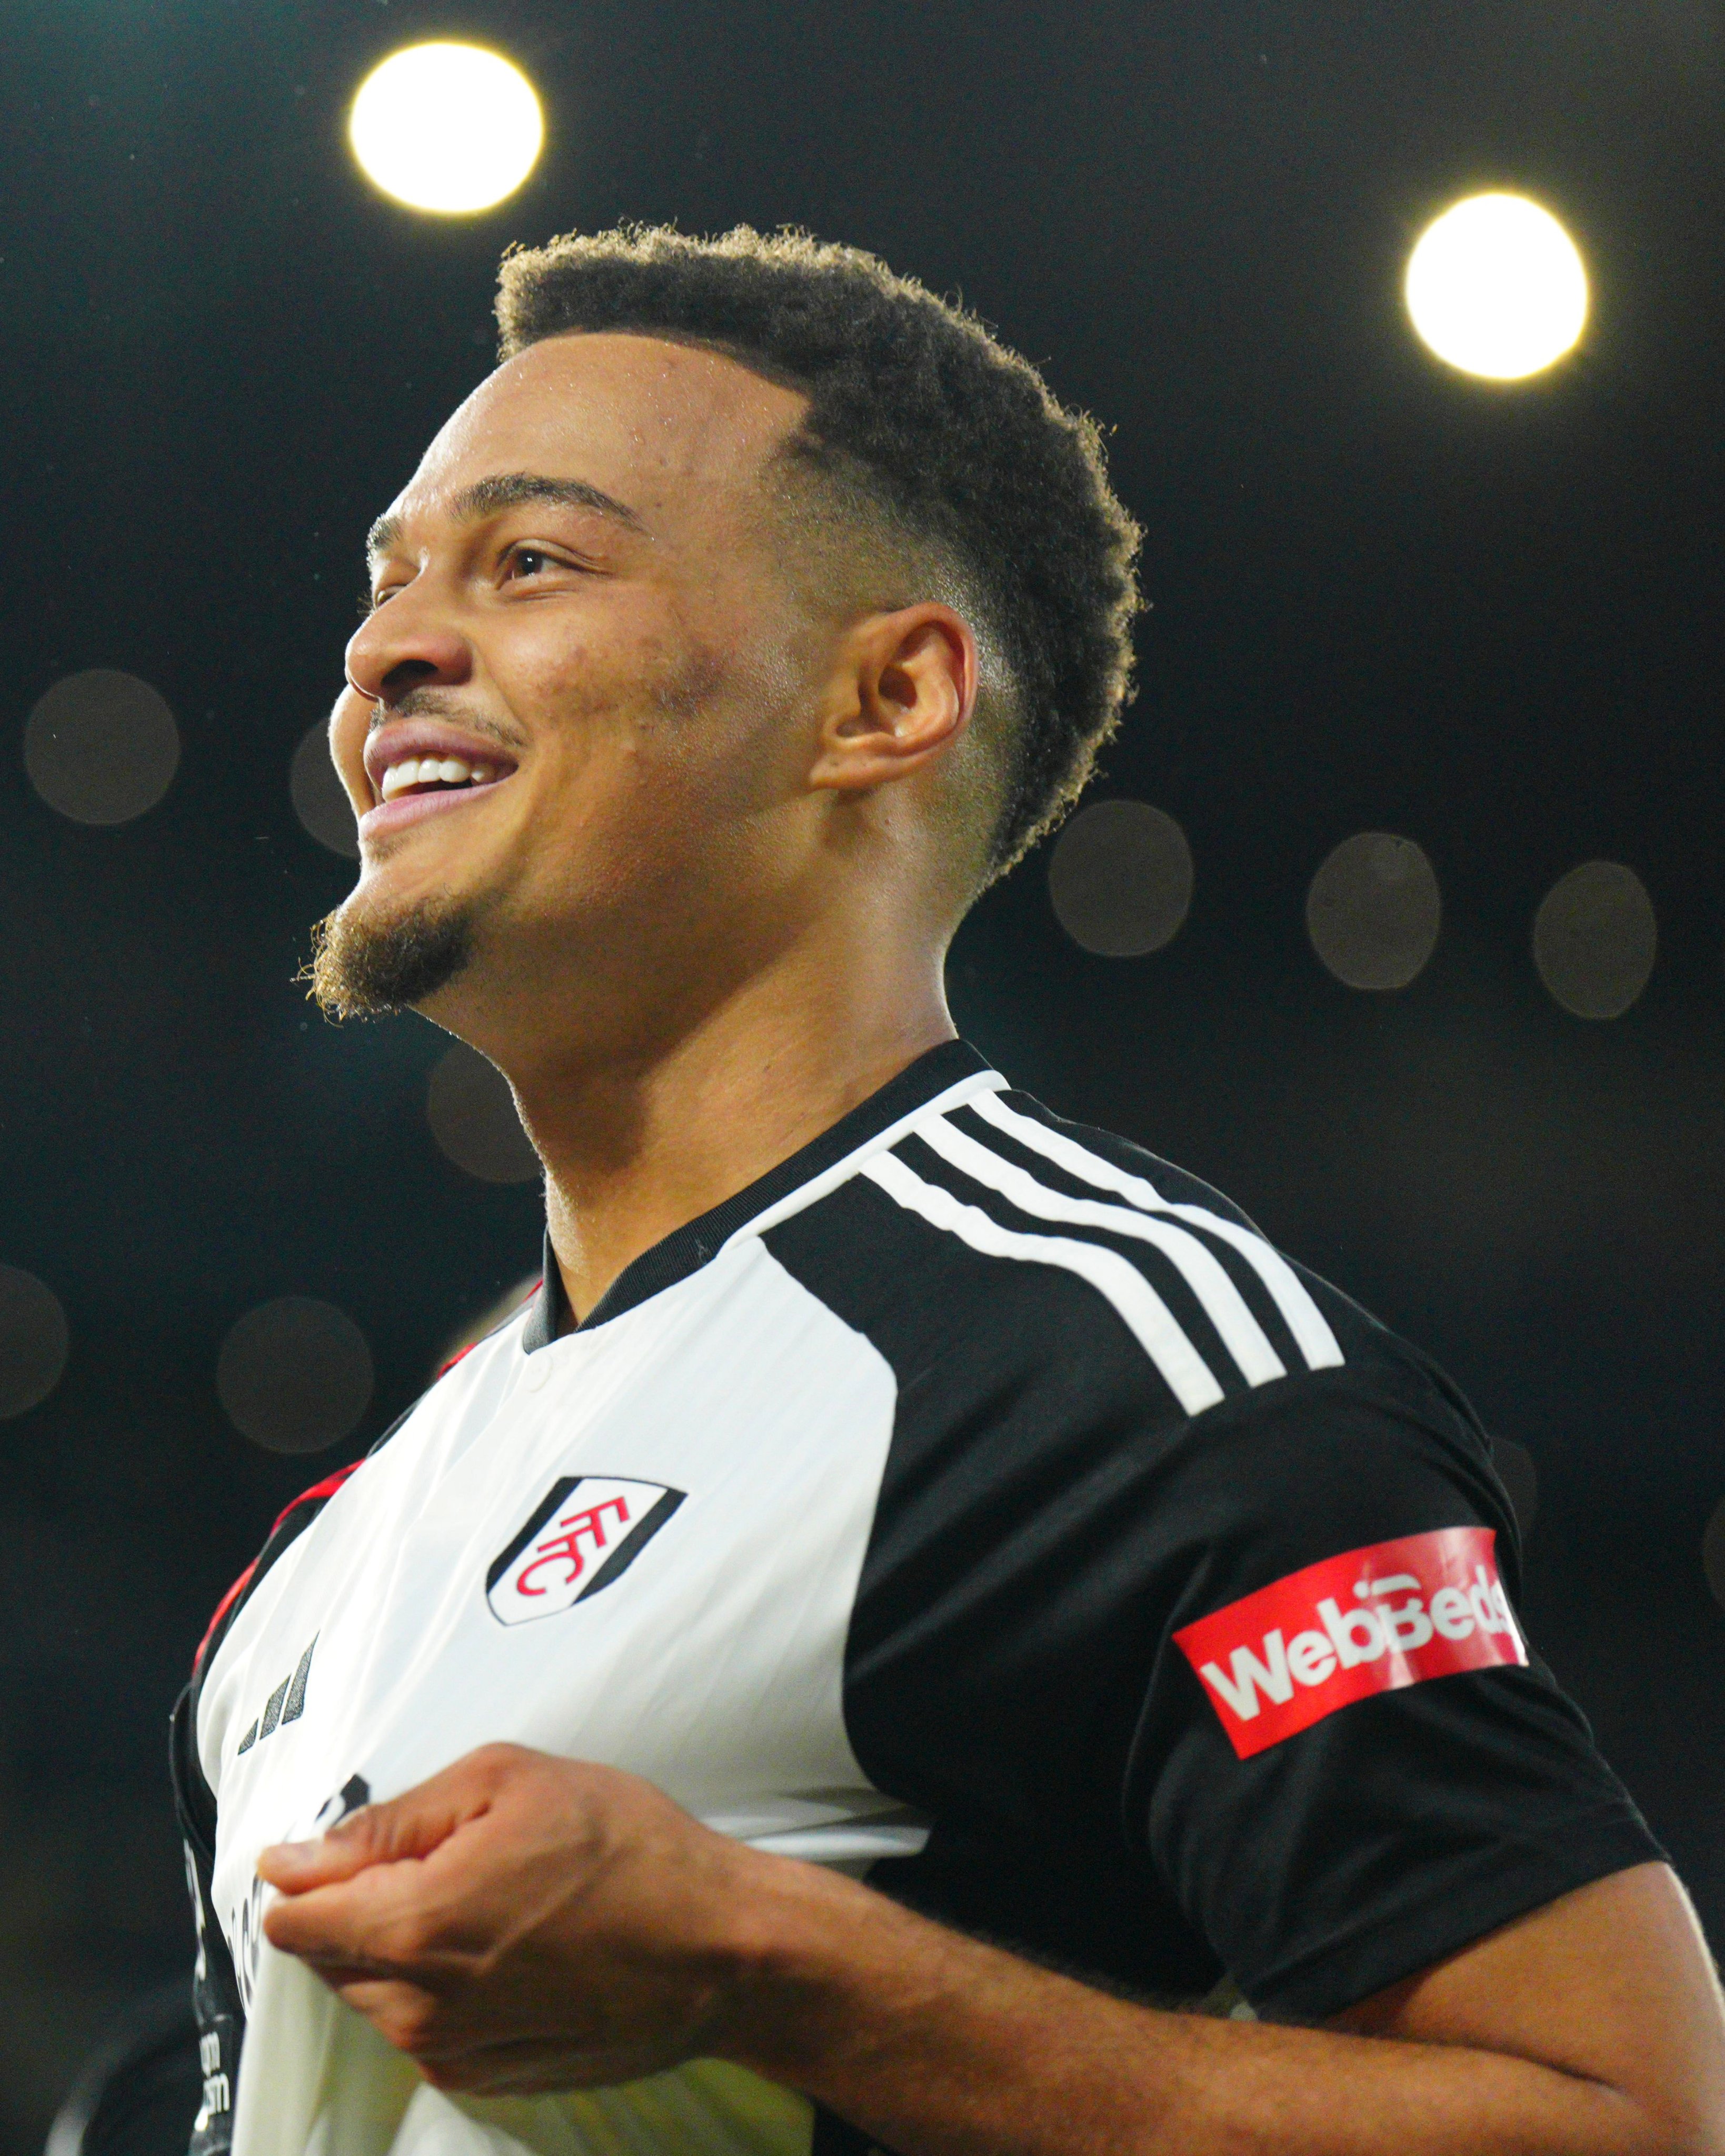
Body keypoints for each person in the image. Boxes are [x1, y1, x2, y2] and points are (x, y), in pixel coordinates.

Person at [172, 225, 1725, 2156]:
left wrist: (771, 1961)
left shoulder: (1145, 1383)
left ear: (884, 698)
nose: (385, 646)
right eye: (391, 581)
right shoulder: (325, 1559)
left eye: (532, 562)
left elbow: (1626, 2119)